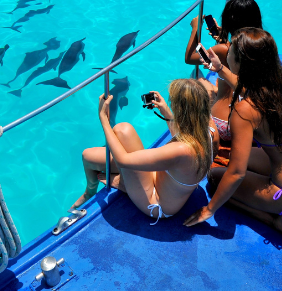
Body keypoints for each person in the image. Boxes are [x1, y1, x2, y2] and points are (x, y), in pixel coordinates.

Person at [184, 28, 282, 259]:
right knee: (249, 157)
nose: (226, 53)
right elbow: (250, 88)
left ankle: (279, 221)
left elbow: (236, 173)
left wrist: (209, 209)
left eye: (229, 52)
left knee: (216, 180)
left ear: (240, 62)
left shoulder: (244, 111)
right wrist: (221, 69)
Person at [70, 79, 216, 225]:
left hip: (157, 203)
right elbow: (182, 135)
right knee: (114, 136)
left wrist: (104, 119)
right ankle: (91, 190)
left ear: (181, 110)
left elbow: (123, 160)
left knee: (117, 135)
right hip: (164, 180)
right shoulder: (209, 130)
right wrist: (164, 108)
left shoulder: (181, 150)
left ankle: (124, 184)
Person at [183, 0, 263, 167]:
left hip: (224, 126)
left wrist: (195, 29)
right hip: (252, 122)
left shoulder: (225, 49)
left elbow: (190, 58)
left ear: (228, 21)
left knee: (196, 73)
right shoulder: (262, 44)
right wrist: (222, 38)